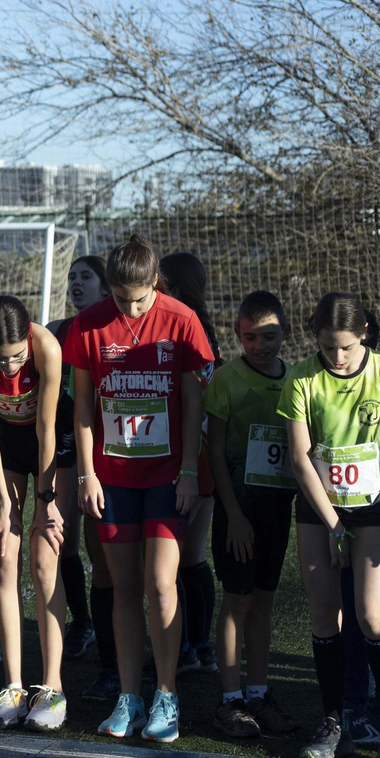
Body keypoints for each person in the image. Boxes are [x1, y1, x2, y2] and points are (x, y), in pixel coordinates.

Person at [65, 235, 212, 743]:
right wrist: (87, 473)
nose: (130, 307)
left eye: (140, 297)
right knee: (123, 588)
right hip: (113, 479)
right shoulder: (88, 324)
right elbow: (82, 407)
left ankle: (166, 696)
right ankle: (129, 697)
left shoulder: (181, 320)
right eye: (121, 297)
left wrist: (190, 470)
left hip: (168, 477)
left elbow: (193, 404)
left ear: (156, 282)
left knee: (161, 583)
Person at [287, 293, 380, 758]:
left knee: (372, 616)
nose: (337, 358)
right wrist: (332, 523)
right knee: (326, 617)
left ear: (363, 333)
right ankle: (334, 720)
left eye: (345, 347)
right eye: (327, 348)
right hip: (319, 510)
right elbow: (302, 459)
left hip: (373, 512)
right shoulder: (302, 377)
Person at [0, 296, 69, 729]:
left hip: (47, 450)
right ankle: (13, 685)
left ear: (28, 339)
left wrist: (45, 502)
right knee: (4, 555)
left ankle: (53, 687)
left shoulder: (47, 347)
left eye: (16, 358)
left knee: (45, 562)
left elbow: (46, 427)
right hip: (4, 447)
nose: (7, 368)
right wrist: (1, 500)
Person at [205, 290, 299, 738]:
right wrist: (233, 514)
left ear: (285, 332)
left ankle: (258, 693)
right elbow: (216, 453)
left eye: (269, 336)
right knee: (237, 599)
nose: (260, 346)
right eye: (249, 338)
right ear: (238, 336)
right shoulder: (226, 379)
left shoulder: (299, 380)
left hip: (278, 507)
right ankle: (230, 699)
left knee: (264, 598)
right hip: (238, 509)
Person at [159, 251, 222, 675]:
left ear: (176, 291)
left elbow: (194, 403)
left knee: (176, 559)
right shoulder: (202, 328)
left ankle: (185, 647)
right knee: (191, 558)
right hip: (196, 458)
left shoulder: (187, 330)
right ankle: (199, 648)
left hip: (190, 459)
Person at [48, 254, 108, 694]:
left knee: (104, 548)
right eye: (71, 277)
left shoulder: (110, 329)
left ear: (107, 287)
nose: (75, 283)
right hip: (64, 448)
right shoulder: (58, 331)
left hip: (105, 450)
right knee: (61, 536)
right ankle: (83, 622)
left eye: (85, 276)